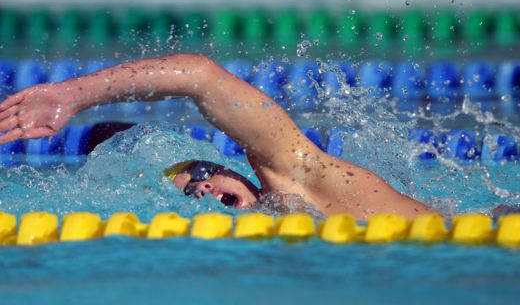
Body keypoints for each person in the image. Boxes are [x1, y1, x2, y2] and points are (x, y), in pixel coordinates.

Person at [0, 54, 432, 219]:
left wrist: (73, 94)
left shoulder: (306, 180)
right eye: (191, 194)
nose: (203, 187)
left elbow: (201, 76)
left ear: (235, 170)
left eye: (203, 172)